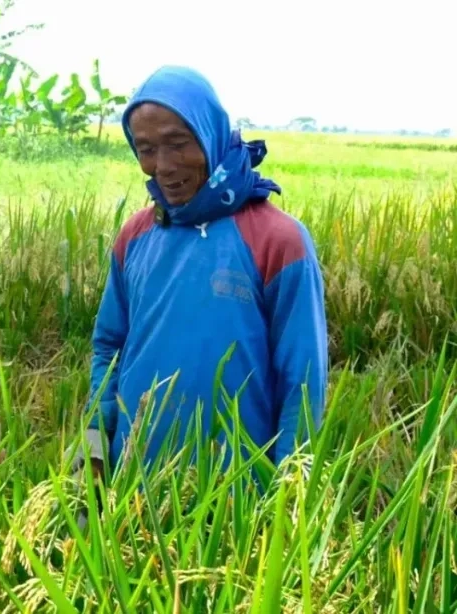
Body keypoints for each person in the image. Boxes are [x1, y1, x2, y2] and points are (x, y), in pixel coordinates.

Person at [72, 65, 328, 480]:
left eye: (178, 143)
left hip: (238, 495)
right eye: (146, 148)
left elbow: (302, 378)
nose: (164, 165)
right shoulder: (136, 236)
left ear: (210, 133)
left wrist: (291, 490)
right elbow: (109, 347)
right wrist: (96, 449)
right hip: (133, 484)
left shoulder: (278, 240)